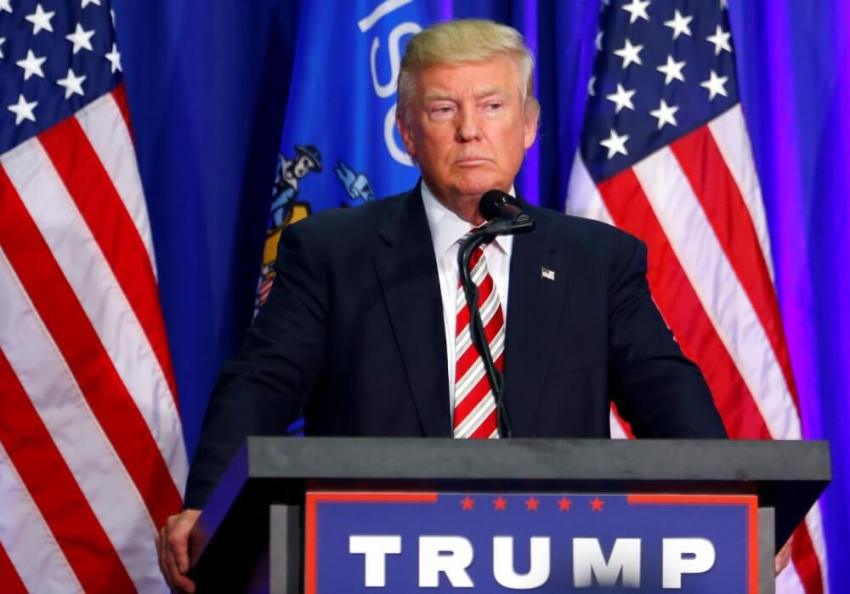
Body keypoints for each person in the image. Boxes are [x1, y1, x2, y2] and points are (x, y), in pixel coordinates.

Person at [158, 19, 727, 592]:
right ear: (407, 131)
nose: (469, 132)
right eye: (441, 110)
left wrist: (731, 506)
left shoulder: (596, 260)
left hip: (556, 561)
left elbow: (665, 391)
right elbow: (259, 386)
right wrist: (209, 509)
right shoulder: (334, 253)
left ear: (528, 126)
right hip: (374, 561)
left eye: (493, 106)